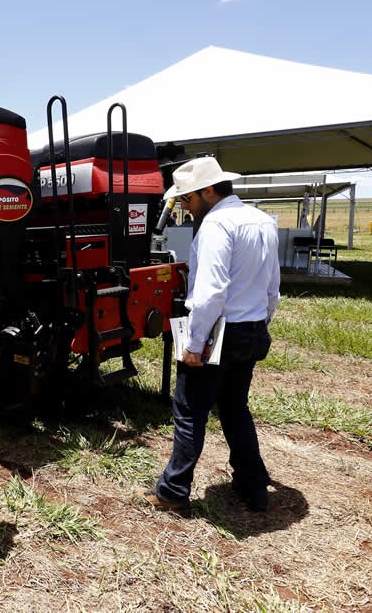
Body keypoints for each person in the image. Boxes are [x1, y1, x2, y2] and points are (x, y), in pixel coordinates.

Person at [145, 156, 280, 515]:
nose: (185, 208)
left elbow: (210, 293)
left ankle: (173, 491)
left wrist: (193, 344)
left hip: (217, 330)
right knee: (235, 408)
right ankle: (254, 486)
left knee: (190, 412)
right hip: (251, 329)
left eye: (187, 199)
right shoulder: (262, 221)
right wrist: (259, 325)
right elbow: (272, 290)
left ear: (208, 190)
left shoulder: (216, 225)